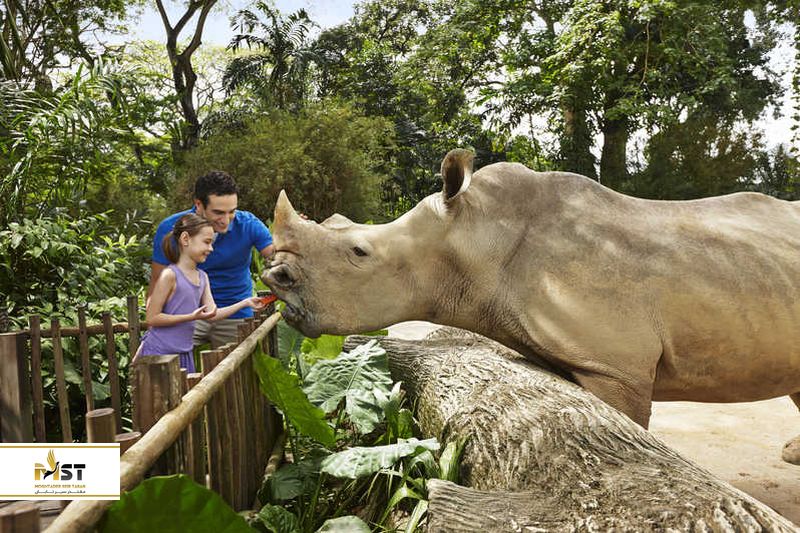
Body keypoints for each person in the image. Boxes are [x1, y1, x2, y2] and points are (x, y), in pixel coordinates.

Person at [148, 171, 274, 349]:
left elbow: (277, 257)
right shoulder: (171, 228)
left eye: (232, 212)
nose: (226, 221)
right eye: (218, 212)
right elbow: (157, 280)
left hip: (235, 313)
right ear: (198, 205)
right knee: (166, 366)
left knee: (239, 373)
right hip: (187, 314)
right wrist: (154, 323)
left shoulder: (248, 225)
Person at [138, 214, 265, 371]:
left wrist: (245, 303)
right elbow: (152, 318)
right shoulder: (169, 275)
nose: (211, 249)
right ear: (185, 239)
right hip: (159, 353)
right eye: (207, 242)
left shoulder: (203, 277)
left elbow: (213, 314)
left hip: (184, 354)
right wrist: (191, 317)